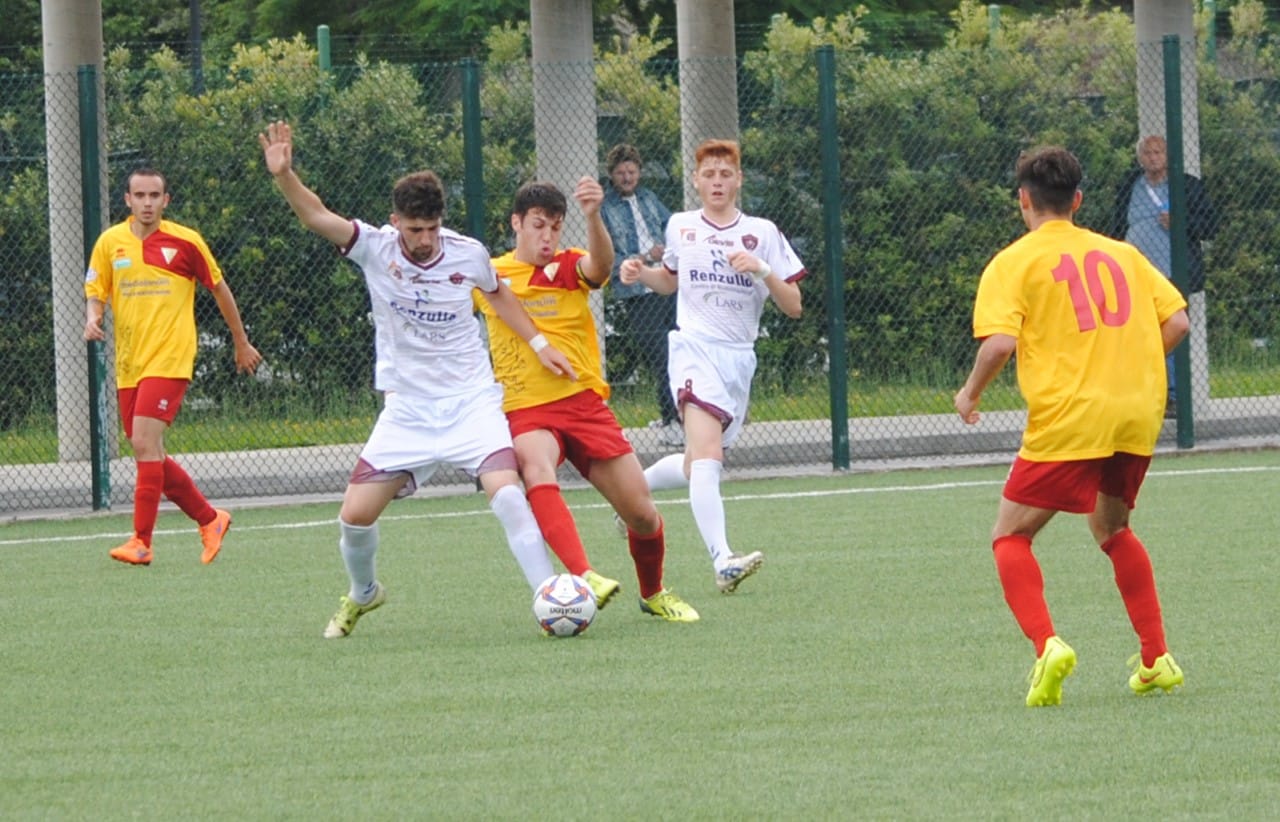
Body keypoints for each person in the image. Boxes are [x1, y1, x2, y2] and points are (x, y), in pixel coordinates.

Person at [258, 120, 575, 639]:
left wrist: (539, 343)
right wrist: (285, 175)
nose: (425, 240)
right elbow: (315, 215)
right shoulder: (374, 247)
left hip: (471, 400)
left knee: (507, 492)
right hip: (407, 408)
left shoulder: (467, 253)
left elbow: (497, 295)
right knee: (354, 517)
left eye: (431, 229)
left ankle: (548, 601)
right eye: (414, 230)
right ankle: (365, 594)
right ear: (396, 222)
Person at [954, 146, 1190, 707]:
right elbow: (1177, 319)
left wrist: (969, 394)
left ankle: (1047, 648)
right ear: (1078, 201)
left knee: (1011, 535)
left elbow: (1002, 342)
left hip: (1071, 415)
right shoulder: (1124, 254)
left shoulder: (1013, 262)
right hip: (1137, 409)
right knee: (1114, 529)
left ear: (1024, 201)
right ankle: (1156, 658)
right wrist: (1129, 365)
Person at [477, 178, 700, 622]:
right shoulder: (490, 273)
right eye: (538, 225)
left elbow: (600, 267)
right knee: (536, 465)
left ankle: (653, 594)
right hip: (526, 407)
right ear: (516, 223)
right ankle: (585, 577)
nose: (548, 237)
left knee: (641, 514)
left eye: (556, 227)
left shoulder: (570, 265)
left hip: (584, 403)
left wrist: (594, 215)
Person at [620, 139, 805, 595]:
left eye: (726, 174)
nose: (717, 182)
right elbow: (669, 282)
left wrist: (762, 270)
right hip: (693, 349)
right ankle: (722, 560)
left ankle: (627, 495)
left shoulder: (762, 232)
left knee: (694, 463)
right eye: (709, 175)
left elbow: (795, 305)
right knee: (709, 458)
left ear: (738, 180)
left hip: (738, 358)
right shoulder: (682, 226)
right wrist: (641, 274)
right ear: (697, 181)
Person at [84, 167, 262, 567]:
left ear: (166, 201)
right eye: (140, 195)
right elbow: (96, 292)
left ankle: (141, 541)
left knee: (145, 444)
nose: (147, 203)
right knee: (149, 452)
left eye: (155, 195)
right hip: (130, 362)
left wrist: (240, 340)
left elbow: (219, 287)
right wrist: (92, 316)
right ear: (127, 200)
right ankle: (209, 518)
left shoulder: (186, 242)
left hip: (170, 357)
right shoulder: (110, 243)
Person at [1108, 134, 1217, 414]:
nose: (1153, 157)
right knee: (1138, 333)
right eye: (1148, 153)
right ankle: (1145, 392)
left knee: (1174, 329)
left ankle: (1175, 395)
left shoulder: (1186, 185)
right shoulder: (1130, 186)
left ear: (1168, 156)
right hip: (1135, 275)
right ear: (1140, 157)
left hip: (1173, 274)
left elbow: (1210, 226)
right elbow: (1116, 224)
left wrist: (1180, 222)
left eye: (1159, 152)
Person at [599, 143, 681, 446]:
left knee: (677, 348)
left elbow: (671, 227)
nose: (627, 177)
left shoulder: (649, 198)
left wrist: (667, 252)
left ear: (639, 173)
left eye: (631, 171)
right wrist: (645, 257)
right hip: (636, 291)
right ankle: (672, 417)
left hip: (666, 283)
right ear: (611, 176)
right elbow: (612, 258)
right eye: (621, 173)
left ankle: (676, 417)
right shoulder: (606, 209)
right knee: (659, 355)